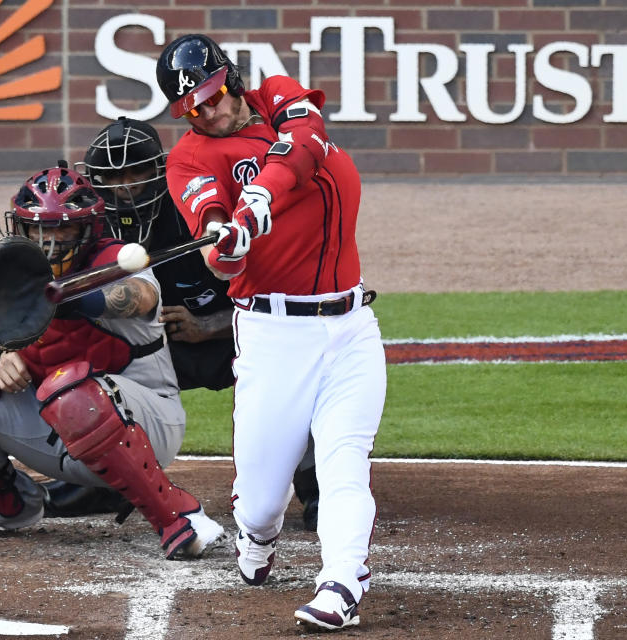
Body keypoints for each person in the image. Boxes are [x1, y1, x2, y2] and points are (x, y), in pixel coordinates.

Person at [155, 35, 387, 631]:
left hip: (352, 327)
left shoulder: (278, 95)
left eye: (212, 96)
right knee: (260, 503)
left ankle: (341, 583)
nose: (209, 112)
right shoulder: (187, 159)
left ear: (229, 80)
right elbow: (214, 242)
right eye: (194, 108)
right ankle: (257, 537)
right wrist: (227, 245)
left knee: (344, 462)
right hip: (273, 334)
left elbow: (305, 144)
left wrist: (258, 201)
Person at [0, 165, 226, 560]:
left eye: (64, 230)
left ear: (89, 229)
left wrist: (69, 297)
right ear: (21, 228)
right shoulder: (9, 272)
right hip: (53, 429)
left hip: (148, 423)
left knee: (71, 390)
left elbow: (140, 296)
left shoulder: (119, 261)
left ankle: (176, 515)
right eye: (38, 229)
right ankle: (5, 506)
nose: (50, 242)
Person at [40, 117, 322, 531]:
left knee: (294, 365)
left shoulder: (203, 206)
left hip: (231, 335)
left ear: (159, 169)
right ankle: (106, 482)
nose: (123, 187)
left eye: (134, 172)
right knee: (78, 364)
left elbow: (280, 300)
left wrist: (211, 324)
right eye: (110, 177)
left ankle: (316, 486)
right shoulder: (87, 224)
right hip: (147, 353)